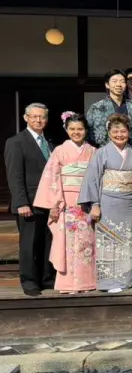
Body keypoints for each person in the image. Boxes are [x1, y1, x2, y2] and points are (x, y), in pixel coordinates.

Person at [33, 112, 96, 294]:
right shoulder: (59, 151)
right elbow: (52, 178)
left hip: (87, 202)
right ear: (66, 130)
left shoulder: (93, 151)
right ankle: (68, 284)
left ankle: (87, 282)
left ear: (86, 130)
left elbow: (97, 178)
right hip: (67, 202)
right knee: (67, 244)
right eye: (72, 129)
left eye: (80, 129)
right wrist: (56, 203)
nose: (76, 132)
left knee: (87, 243)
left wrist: (96, 202)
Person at [78, 113, 132, 292]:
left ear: (129, 132)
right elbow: (92, 179)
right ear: (109, 133)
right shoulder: (102, 152)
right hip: (108, 201)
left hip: (130, 202)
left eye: (123, 131)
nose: (119, 135)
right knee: (108, 242)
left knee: (128, 241)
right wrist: (95, 204)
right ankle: (109, 282)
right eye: (115, 131)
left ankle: (127, 280)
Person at [5, 103, 55, 296]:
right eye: (34, 116)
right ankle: (29, 281)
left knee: (47, 241)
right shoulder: (16, 142)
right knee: (29, 244)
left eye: (42, 117)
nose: (38, 120)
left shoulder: (49, 142)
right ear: (26, 118)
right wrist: (21, 202)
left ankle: (46, 278)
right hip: (29, 203)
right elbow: (14, 176)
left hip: (48, 202)